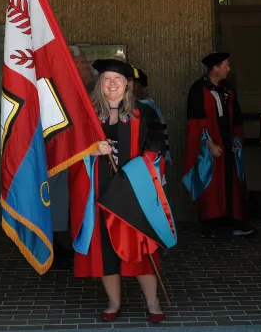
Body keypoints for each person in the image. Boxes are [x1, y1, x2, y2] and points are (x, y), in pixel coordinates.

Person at [70, 58, 167, 323]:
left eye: (118, 80)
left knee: (140, 248)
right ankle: (114, 302)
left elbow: (156, 148)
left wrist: (137, 172)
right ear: (100, 85)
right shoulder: (89, 115)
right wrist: (91, 149)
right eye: (106, 80)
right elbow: (71, 149)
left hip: (132, 193)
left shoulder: (143, 114)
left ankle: (153, 301)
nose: (112, 84)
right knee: (105, 250)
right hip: (100, 192)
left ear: (128, 85)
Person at [182, 52, 255, 237]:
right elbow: (195, 122)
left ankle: (233, 220)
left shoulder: (228, 89)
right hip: (209, 146)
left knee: (232, 182)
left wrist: (237, 140)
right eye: (225, 65)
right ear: (214, 68)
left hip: (228, 144)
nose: (228, 69)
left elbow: (236, 117)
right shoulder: (198, 90)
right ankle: (210, 224)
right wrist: (208, 143)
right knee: (211, 183)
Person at [131, 66, 171, 184]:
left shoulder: (146, 107)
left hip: (148, 162)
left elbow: (158, 137)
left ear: (135, 85)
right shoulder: (148, 104)